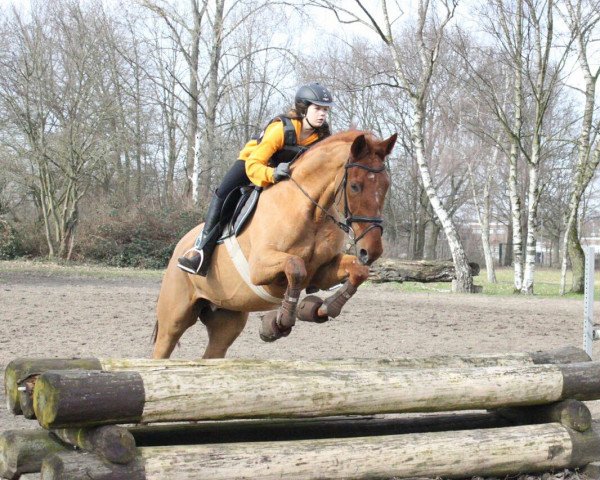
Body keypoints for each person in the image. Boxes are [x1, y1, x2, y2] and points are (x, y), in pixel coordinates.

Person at [177, 83, 335, 276]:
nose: (322, 114)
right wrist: (272, 174)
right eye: (317, 108)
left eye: (325, 110)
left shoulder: (322, 137)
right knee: (224, 194)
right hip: (252, 163)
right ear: (303, 109)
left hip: (287, 174)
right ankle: (201, 250)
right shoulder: (281, 129)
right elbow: (254, 164)